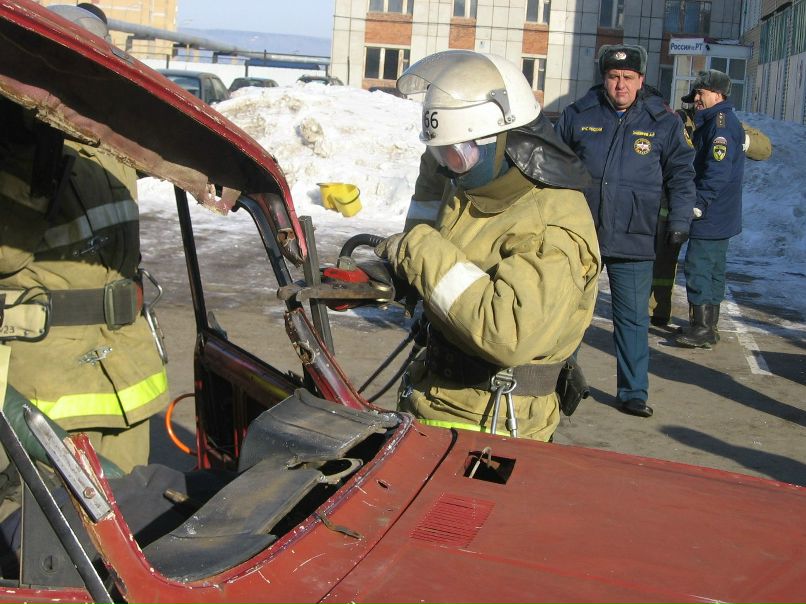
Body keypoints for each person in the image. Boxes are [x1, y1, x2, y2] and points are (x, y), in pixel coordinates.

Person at [374, 50, 601, 442]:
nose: (447, 167)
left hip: (491, 425)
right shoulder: (471, 183)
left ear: (505, 141)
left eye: (457, 154)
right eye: (438, 152)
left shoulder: (551, 224)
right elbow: (435, 254)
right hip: (433, 399)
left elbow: (508, 332)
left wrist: (419, 252)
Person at [0, 5, 168, 473]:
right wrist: (32, 146)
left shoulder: (109, 143)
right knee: (46, 541)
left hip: (126, 377)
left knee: (137, 518)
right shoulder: (15, 142)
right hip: (47, 402)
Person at [554, 44, 696, 418]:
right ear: (604, 79)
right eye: (613, 77)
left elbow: (681, 175)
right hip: (581, 234)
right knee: (569, 313)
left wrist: (680, 221)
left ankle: (633, 391)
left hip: (635, 236)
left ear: (641, 80)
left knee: (632, 319)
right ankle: (559, 381)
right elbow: (551, 166)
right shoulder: (578, 114)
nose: (620, 85)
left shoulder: (662, 121)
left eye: (628, 78)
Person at [675, 70, 746, 348]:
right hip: (722, 211)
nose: (696, 99)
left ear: (718, 94)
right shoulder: (720, 121)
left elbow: (717, 171)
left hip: (712, 212)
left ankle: (702, 328)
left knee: (700, 266)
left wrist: (699, 204)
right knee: (714, 268)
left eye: (701, 93)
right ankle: (707, 324)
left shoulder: (720, 125)